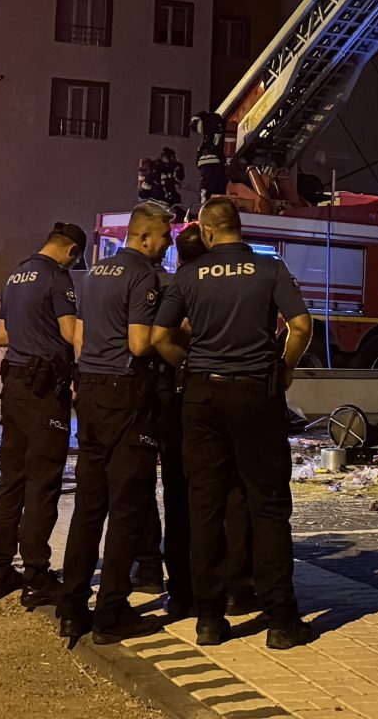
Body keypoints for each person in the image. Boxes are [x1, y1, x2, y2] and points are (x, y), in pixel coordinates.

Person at [150, 197, 317, 650]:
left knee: (205, 504)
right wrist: (284, 369)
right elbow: (301, 325)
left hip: (202, 399)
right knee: (267, 505)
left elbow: (158, 338)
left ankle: (209, 619)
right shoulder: (269, 268)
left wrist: (188, 367)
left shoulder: (189, 275)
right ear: (238, 227)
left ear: (206, 231)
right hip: (256, 394)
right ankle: (281, 620)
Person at [54, 205, 177, 643]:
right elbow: (140, 343)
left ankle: (70, 607)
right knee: (126, 508)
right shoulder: (142, 275)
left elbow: (82, 339)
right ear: (144, 238)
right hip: (126, 394)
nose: (168, 244)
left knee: (89, 505)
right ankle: (110, 614)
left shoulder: (93, 274)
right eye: (164, 237)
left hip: (88, 391)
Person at [141, 221, 253, 622]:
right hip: (205, 399)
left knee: (178, 498)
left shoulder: (170, 284)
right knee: (227, 497)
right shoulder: (202, 285)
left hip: (170, 403)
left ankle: (183, 590)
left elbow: (153, 339)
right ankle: (235, 587)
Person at [0, 221, 83, 607]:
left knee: (11, 480)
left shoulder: (15, 276)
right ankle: (36, 576)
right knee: (43, 483)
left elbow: (2, 336)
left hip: (14, 386)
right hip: (45, 391)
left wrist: (30, 328)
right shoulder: (58, 279)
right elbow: (69, 332)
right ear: (71, 251)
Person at [138, 148, 184, 212]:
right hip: (157, 205)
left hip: (168, 205)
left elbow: (178, 180)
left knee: (183, 215)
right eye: (171, 158)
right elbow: (142, 193)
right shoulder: (155, 172)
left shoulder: (170, 171)